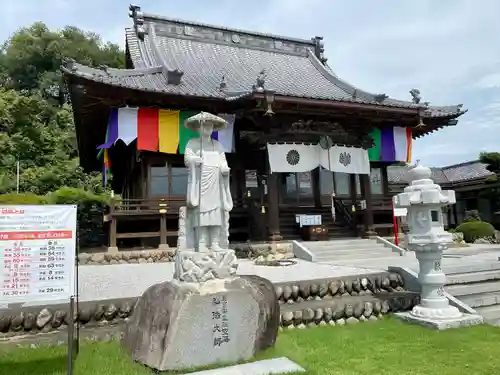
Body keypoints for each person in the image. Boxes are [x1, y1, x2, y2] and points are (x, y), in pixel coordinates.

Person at [184, 118, 233, 252]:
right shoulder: (192, 143)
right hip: (200, 181)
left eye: (210, 126)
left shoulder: (217, 145)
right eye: (205, 125)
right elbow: (187, 159)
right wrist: (195, 160)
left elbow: (223, 161)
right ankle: (201, 242)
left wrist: (224, 168)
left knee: (216, 212)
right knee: (201, 212)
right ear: (198, 128)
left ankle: (215, 242)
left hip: (215, 181)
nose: (207, 128)